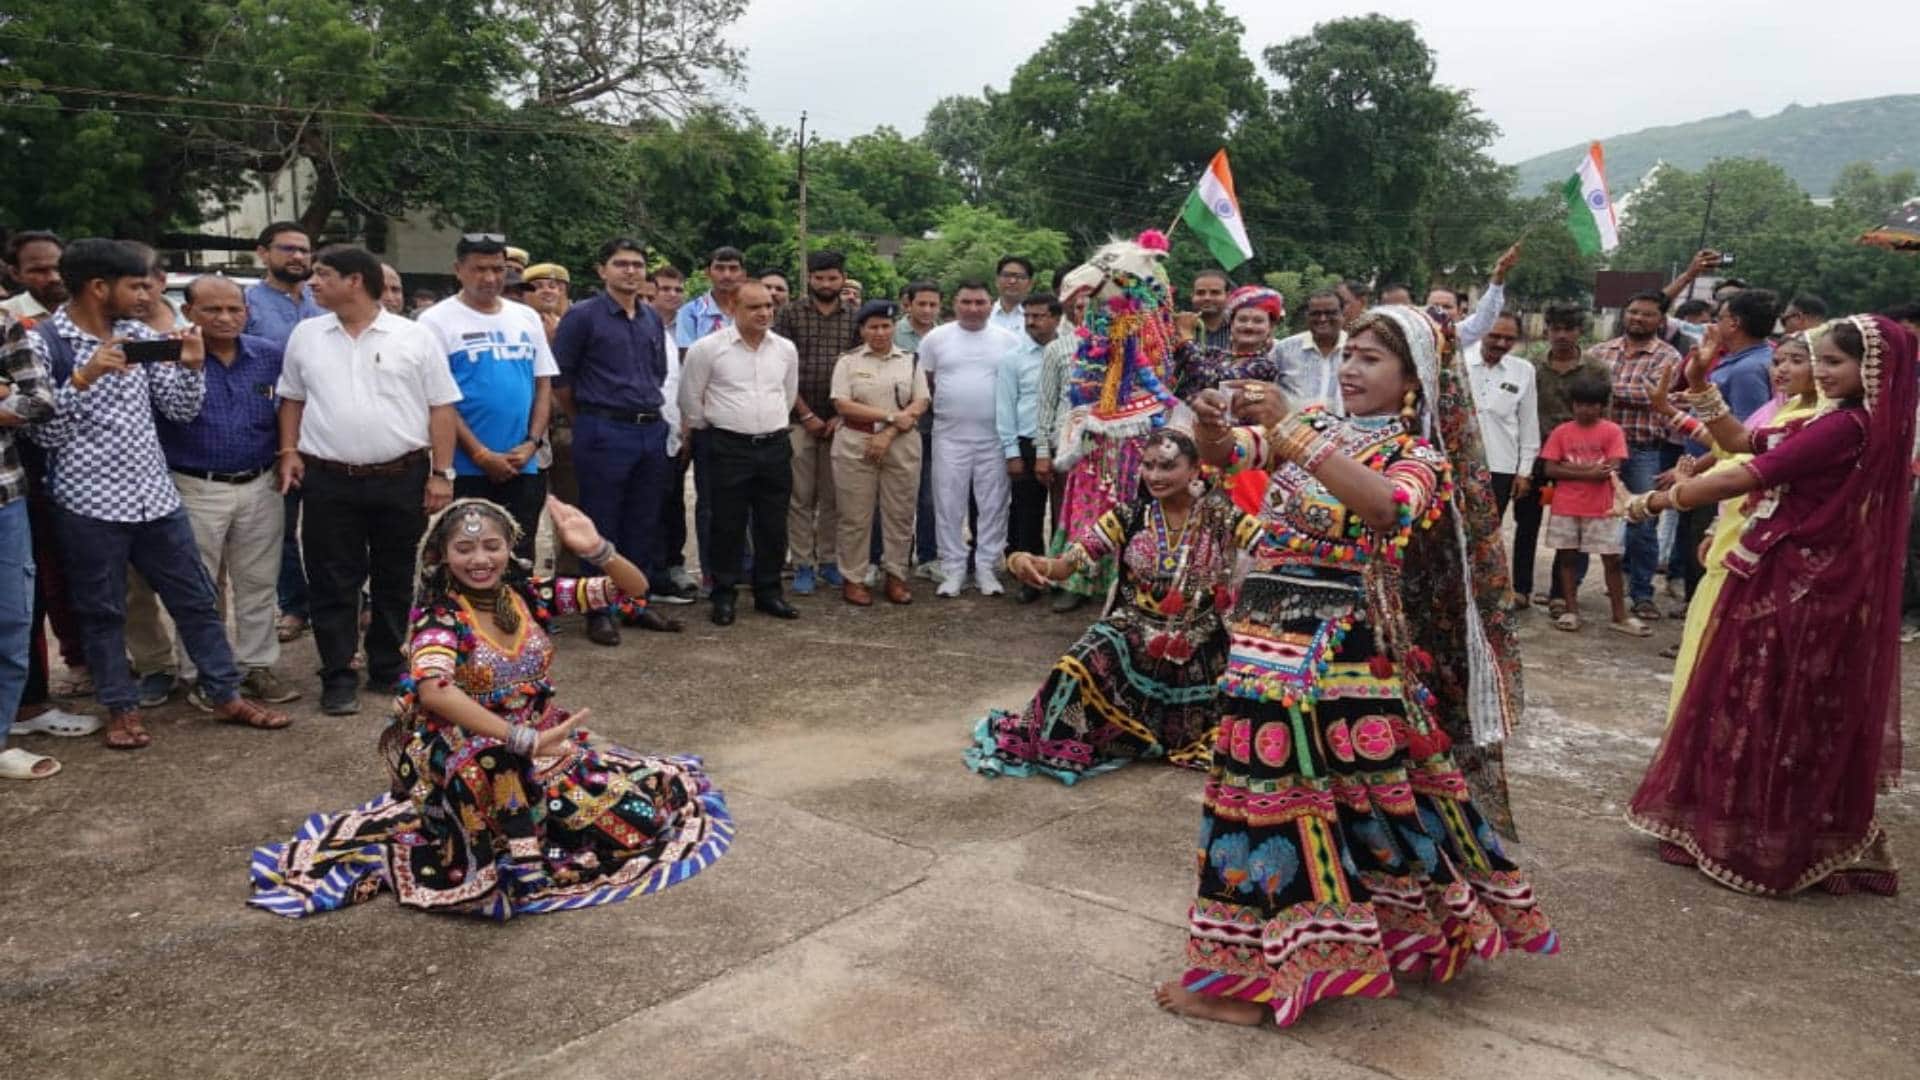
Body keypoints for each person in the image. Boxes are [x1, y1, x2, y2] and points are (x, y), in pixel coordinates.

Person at [1157, 305, 1551, 1028]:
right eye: (1350, 356)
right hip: (1265, 633)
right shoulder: (1318, 426)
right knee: (1350, 800)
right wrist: (1211, 424)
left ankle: (1255, 983)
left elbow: (1386, 512)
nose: (1351, 368)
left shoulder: (1416, 455)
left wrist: (1292, 434)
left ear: (1412, 379)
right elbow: (1224, 459)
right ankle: (1385, 937)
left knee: (1277, 801)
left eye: (1372, 358)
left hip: (1334, 645)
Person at [247, 496, 733, 918]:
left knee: (639, 820)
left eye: (491, 546)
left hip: (542, 744)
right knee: (514, 825)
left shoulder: (527, 596)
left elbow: (633, 590)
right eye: (464, 548)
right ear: (441, 557)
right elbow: (434, 690)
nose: (480, 559)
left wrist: (594, 549)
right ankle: (516, 852)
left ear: (508, 550)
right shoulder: (440, 616)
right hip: (469, 753)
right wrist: (519, 738)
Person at [1624, 315, 1915, 897]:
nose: (1825, 373)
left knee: (1769, 700)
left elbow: (1746, 475)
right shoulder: (1830, 419)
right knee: (1755, 693)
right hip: (1780, 570)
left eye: (1835, 362)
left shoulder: (1847, 426)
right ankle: (1746, 823)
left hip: (1799, 582)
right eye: (1820, 360)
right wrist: (1703, 383)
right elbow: (1737, 442)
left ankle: (1760, 835)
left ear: (1874, 370)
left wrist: (1653, 502)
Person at [28, 238, 294, 748]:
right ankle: (121, 709)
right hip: (89, 503)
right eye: (137, 285)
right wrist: (83, 379)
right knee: (104, 609)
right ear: (99, 287)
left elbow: (178, 409)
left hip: (156, 496)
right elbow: (42, 433)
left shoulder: (136, 334)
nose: (148, 294)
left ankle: (224, 693)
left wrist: (190, 366)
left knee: (195, 599)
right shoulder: (47, 342)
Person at [966, 429, 1259, 782]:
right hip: (1133, 632)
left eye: (1167, 466)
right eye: (1148, 466)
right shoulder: (1128, 515)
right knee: (1074, 665)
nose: (1154, 476)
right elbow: (1066, 564)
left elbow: (1274, 549)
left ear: (1195, 469)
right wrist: (1022, 560)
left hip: (1199, 644)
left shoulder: (1222, 516)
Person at [278, 244, 461, 715]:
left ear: (355, 280)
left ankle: (386, 665)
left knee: (395, 574)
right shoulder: (306, 335)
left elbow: (441, 406)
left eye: (323, 274)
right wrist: (289, 451)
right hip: (328, 478)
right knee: (332, 578)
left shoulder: (413, 337)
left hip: (400, 475)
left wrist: (441, 473)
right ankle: (337, 672)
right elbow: (292, 399)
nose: (312, 282)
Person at [1648, 325, 1826, 718]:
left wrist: (1654, 501)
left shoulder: (1819, 421)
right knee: (1705, 640)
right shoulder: (1783, 407)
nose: (1781, 370)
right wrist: (1674, 408)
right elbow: (1731, 443)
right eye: (1779, 360)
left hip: (1762, 543)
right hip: (1734, 529)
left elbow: (1742, 467)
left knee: (1729, 654)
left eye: (1799, 361)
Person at [153, 276, 301, 705]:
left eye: (234, 309)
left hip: (260, 482)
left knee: (257, 581)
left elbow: (289, 407)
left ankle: (258, 665)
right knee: (200, 587)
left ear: (247, 312)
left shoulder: (269, 357)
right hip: (195, 486)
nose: (225, 318)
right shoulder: (170, 357)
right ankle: (203, 671)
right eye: (212, 310)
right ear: (189, 312)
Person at [550, 238, 686, 642]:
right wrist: (587, 420)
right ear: (602, 270)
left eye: (637, 264)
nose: (630, 271)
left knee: (643, 520)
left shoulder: (648, 318)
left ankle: (635, 602)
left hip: (649, 428)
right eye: (621, 263)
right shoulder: (583, 316)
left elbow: (658, 374)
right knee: (602, 520)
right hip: (602, 427)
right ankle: (598, 609)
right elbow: (562, 380)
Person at [418, 234, 557, 565]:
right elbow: (438, 400)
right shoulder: (434, 322)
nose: (490, 278)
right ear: (458, 270)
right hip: (466, 466)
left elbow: (543, 385)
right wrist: (480, 454)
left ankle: (517, 615)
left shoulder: (525, 318)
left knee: (517, 552)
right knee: (467, 550)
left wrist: (532, 443)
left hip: (523, 462)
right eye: (479, 269)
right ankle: (469, 618)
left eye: (498, 269)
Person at [677, 281, 801, 626]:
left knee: (773, 524)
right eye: (754, 307)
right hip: (727, 446)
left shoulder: (785, 349)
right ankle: (724, 594)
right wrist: (719, 425)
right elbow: (690, 399)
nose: (764, 313)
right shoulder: (708, 348)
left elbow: (787, 395)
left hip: (774, 444)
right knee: (726, 524)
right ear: (733, 308)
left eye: (768, 306)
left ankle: (769, 592)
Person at [1587, 290, 1682, 623]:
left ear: (1661, 320)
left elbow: (1654, 397)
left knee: (1643, 521)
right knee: (1588, 516)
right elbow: (1585, 390)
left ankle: (1642, 594)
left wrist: (1606, 392)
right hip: (1597, 448)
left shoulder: (1668, 357)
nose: (1638, 319)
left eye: (1647, 314)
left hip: (1641, 448)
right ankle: (1566, 590)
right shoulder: (1600, 351)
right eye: (1633, 312)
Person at [921, 279, 1020, 597]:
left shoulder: (1008, 339)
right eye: (967, 302)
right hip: (949, 435)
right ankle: (952, 568)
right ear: (955, 304)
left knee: (993, 505)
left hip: (993, 436)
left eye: (980, 302)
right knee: (948, 504)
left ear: (990, 304)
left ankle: (986, 567)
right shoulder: (936, 339)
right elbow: (927, 381)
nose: (973, 308)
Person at [829, 300, 929, 606]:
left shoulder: (910, 360)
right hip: (855, 442)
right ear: (862, 330)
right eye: (873, 326)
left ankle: (896, 576)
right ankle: (854, 578)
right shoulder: (848, 362)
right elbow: (842, 404)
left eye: (886, 326)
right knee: (854, 515)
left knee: (899, 513)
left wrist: (888, 432)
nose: (880, 332)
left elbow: (921, 402)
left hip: (901, 444)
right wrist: (887, 417)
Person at [1512, 303, 1608, 613]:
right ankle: (1520, 589)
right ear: (1547, 330)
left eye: (1569, 329)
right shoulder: (1530, 367)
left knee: (1571, 529)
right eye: (1556, 329)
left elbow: (1606, 417)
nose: (1562, 335)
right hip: (1535, 457)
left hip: (1577, 464)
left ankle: (1560, 594)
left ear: (1581, 332)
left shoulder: (1596, 370)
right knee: (1526, 525)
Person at [0, 312, 61, 780]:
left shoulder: (3, 323)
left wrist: (8, 399)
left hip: (5, 498)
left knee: (11, 619)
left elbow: (38, 401)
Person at [778, 250, 859, 596]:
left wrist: (841, 414)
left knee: (833, 497)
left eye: (833, 278)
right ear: (809, 278)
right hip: (798, 419)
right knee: (800, 497)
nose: (826, 284)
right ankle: (802, 564)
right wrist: (807, 414)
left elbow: (859, 370)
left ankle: (828, 561)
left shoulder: (855, 317)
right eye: (820, 278)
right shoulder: (789, 314)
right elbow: (780, 369)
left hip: (841, 421)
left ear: (842, 279)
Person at [1542, 375, 1643, 636]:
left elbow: (1612, 467)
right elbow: (1550, 468)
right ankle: (1571, 610)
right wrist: (1590, 471)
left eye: (1592, 405)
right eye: (1580, 404)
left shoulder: (1611, 431)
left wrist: (1571, 469)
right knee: (1567, 558)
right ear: (1572, 405)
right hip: (1566, 506)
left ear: (1602, 406)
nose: (1585, 410)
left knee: (1611, 559)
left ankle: (1620, 615)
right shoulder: (1561, 432)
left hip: (1603, 507)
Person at [996, 292, 1062, 602]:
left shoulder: (1074, 353)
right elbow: (1005, 407)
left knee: (1065, 514)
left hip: (1064, 443)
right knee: (1027, 514)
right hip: (1025, 442)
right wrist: (1011, 451)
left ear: (1057, 318)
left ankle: (1063, 576)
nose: (1031, 322)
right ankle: (1029, 577)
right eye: (1027, 316)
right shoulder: (1013, 358)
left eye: (1038, 316)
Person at [644, 264, 698, 599]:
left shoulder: (683, 329)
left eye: (678, 289)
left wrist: (686, 428)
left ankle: (670, 567)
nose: (670, 295)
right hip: (642, 430)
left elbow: (682, 386)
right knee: (647, 505)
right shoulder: (639, 328)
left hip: (676, 429)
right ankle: (648, 575)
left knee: (673, 502)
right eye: (663, 289)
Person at [1465, 312, 1538, 520]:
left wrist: (1524, 472)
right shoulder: (1458, 361)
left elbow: (1528, 425)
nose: (1501, 343)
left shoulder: (1524, 371)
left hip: (1500, 466)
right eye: (1494, 335)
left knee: (1489, 532)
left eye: (1509, 339)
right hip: (1457, 462)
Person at [895, 280, 944, 580]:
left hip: (935, 425)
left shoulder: (946, 336)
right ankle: (893, 558)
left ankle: (928, 556)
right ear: (907, 304)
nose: (927, 310)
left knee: (930, 494)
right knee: (896, 494)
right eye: (921, 304)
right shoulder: (890, 333)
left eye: (933, 304)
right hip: (898, 422)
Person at [1173, 285, 1283, 399]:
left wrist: (1186, 337)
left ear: (1270, 327)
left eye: (1258, 321)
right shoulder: (1216, 354)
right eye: (1242, 319)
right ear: (1231, 324)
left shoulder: (1264, 367)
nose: (1249, 326)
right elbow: (1179, 357)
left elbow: (1212, 381)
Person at [1423, 241, 1521, 350]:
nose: (1440, 311)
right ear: (1423, 310)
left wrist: (1499, 275)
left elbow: (1485, 318)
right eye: (1435, 306)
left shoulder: (1459, 335)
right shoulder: (1412, 335)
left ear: (1459, 312)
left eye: (1447, 307)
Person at [1271, 288, 1345, 414]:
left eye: (1330, 313)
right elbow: (1268, 389)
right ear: (1307, 316)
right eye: (1316, 313)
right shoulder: (1284, 349)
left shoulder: (1356, 349)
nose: (1322, 319)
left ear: (1343, 314)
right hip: (1293, 430)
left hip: (1344, 430)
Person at [675, 246, 746, 347]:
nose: (727, 275)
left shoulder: (752, 309)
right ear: (707, 273)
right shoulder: (691, 312)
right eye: (720, 268)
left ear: (743, 274)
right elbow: (686, 356)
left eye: (733, 269)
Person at [0, 231, 65, 320]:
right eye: (39, 271)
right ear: (15, 273)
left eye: (59, 268)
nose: (55, 278)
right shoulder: (4, 316)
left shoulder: (88, 310)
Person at [1181, 269, 1233, 351]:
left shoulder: (1239, 327)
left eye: (1215, 292)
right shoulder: (1180, 328)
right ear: (1192, 296)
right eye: (1200, 293)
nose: (1207, 298)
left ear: (1228, 295)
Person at [990, 256, 1033, 336]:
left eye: (1019, 277)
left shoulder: (1037, 317)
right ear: (997, 281)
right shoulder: (985, 314)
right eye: (1006, 275)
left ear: (1030, 284)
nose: (1012, 281)